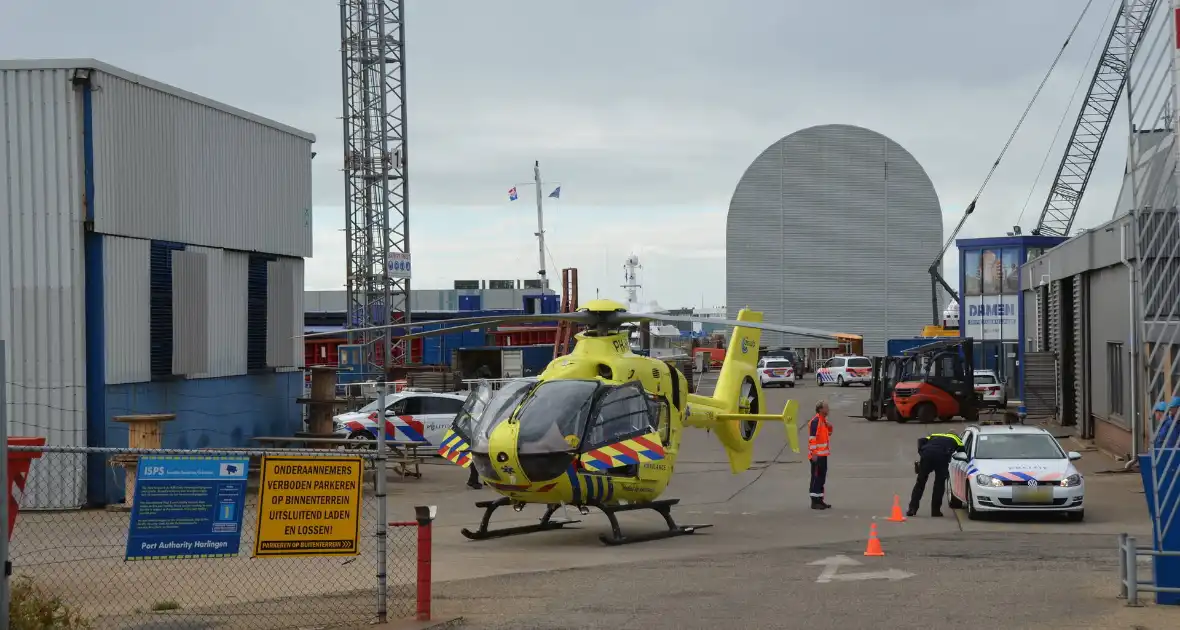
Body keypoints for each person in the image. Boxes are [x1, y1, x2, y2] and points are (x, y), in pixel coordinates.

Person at [906, 431, 965, 517]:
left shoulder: (935, 435)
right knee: (939, 485)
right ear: (955, 435)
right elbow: (963, 453)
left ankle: (912, 509)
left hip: (927, 455)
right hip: (942, 458)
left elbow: (921, 440)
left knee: (920, 483)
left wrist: (921, 452)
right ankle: (935, 511)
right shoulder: (957, 439)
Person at [808, 400, 833, 510]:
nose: (828, 409)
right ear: (820, 409)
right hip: (817, 455)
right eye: (826, 407)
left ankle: (820, 499)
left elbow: (828, 434)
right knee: (816, 477)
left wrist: (830, 426)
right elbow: (812, 439)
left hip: (823, 455)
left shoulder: (823, 421)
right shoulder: (816, 421)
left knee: (821, 477)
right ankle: (814, 501)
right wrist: (813, 454)